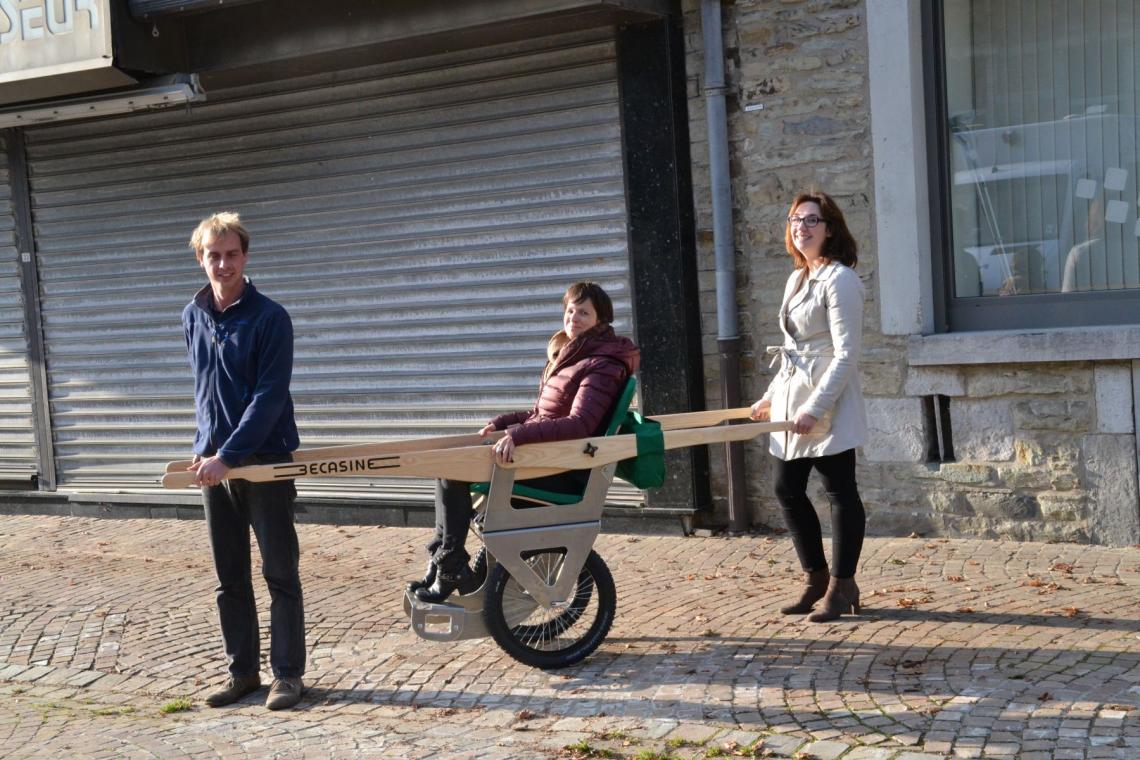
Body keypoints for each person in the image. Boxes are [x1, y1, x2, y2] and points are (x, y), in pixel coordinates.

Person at [410, 281, 640, 603]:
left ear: (601, 320)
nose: (573, 318)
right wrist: (504, 423)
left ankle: (450, 568)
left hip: (561, 468)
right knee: (446, 463)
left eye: (583, 312)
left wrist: (518, 435)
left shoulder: (601, 364)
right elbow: (540, 413)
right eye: (570, 310)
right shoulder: (572, 356)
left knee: (452, 471)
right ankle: (445, 560)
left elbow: (580, 424)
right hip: (545, 456)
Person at [182, 212, 307, 710]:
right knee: (229, 576)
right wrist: (206, 449)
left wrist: (228, 455)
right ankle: (243, 674)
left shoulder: (270, 317)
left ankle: (288, 677)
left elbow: (269, 397)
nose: (224, 263)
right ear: (201, 258)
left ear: (245, 256)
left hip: (265, 460)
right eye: (214, 255)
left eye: (232, 254)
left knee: (280, 572)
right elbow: (204, 391)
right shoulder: (192, 314)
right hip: (214, 463)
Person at [750, 190, 869, 623]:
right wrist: (768, 396)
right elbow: (791, 348)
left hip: (827, 400)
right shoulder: (798, 278)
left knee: (840, 491)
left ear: (830, 228)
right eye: (796, 219)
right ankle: (816, 578)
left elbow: (845, 354)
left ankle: (843, 585)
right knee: (787, 488)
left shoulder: (840, 280)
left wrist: (817, 408)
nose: (802, 227)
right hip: (793, 394)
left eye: (812, 220)